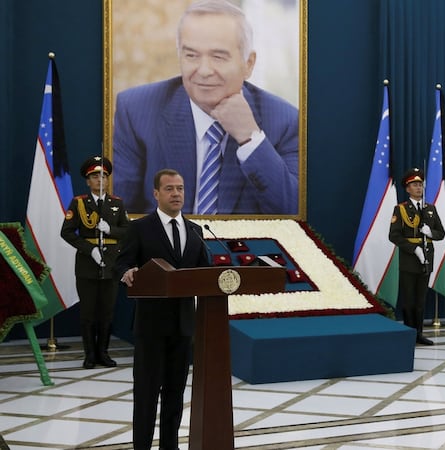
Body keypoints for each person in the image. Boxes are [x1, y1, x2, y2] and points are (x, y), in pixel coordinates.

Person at [113, 0, 299, 215]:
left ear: (248, 64)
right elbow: (117, 214)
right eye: (191, 55)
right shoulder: (136, 111)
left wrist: (250, 138)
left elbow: (293, 213)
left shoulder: (285, 121)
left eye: (218, 57)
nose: (203, 70)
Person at [117, 169, 209, 450]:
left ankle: (170, 446)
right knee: (146, 393)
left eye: (180, 188)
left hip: (183, 326)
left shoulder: (195, 231)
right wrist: (127, 271)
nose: (176, 194)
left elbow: (204, 273)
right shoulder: (140, 228)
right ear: (155, 194)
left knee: (175, 392)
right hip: (151, 326)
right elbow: (121, 263)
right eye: (169, 189)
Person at [61, 156, 130, 369]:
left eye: (103, 176)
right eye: (94, 176)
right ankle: (90, 355)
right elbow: (66, 232)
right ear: (88, 181)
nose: (100, 180)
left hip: (110, 265)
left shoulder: (116, 204)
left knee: (107, 312)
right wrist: (89, 249)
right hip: (87, 265)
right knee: (88, 312)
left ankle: (104, 353)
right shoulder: (79, 203)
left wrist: (111, 230)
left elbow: (128, 232)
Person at [389, 168, 445, 346]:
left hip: (427, 258)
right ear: (407, 189)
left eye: (420, 184)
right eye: (414, 185)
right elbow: (394, 236)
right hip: (409, 259)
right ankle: (409, 333)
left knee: (421, 300)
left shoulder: (430, 209)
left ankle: (419, 333)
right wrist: (414, 249)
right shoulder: (401, 209)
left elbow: (441, 233)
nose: (418, 187)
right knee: (409, 300)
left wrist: (431, 233)